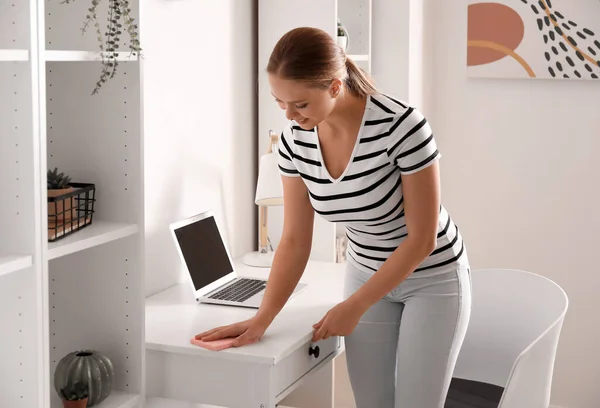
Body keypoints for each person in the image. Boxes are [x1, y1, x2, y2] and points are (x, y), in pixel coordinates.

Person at [195, 26, 472, 408]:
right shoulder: (295, 141)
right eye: (280, 103)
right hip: (366, 272)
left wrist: (355, 305)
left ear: (335, 87)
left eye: (301, 104)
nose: (290, 115)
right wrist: (261, 320)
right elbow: (293, 239)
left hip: (432, 277)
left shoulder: (402, 126)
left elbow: (422, 239)